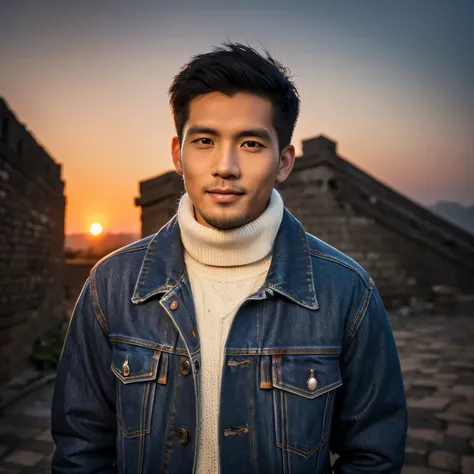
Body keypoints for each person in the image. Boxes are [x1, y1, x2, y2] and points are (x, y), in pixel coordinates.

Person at [51, 41, 407, 474]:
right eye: (204, 140)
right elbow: (80, 447)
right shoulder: (111, 284)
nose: (225, 166)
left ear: (284, 162)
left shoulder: (348, 291)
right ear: (177, 155)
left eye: (252, 143)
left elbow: (374, 455)